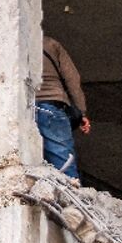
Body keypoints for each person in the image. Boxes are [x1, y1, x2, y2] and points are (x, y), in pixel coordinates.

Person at [36, 35, 91, 180]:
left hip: (22, 110)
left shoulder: (8, 43)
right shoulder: (50, 44)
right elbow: (72, 79)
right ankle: (71, 199)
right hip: (52, 107)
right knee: (63, 162)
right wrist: (81, 112)